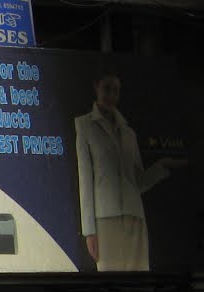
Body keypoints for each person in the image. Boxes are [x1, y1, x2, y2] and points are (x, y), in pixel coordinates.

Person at [75, 73, 182, 272]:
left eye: (116, 91)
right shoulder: (84, 125)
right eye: (107, 89)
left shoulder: (128, 133)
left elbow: (137, 182)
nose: (111, 96)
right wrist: (89, 231)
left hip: (135, 218)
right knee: (110, 281)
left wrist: (162, 166)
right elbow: (85, 180)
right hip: (106, 219)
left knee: (139, 278)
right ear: (96, 87)